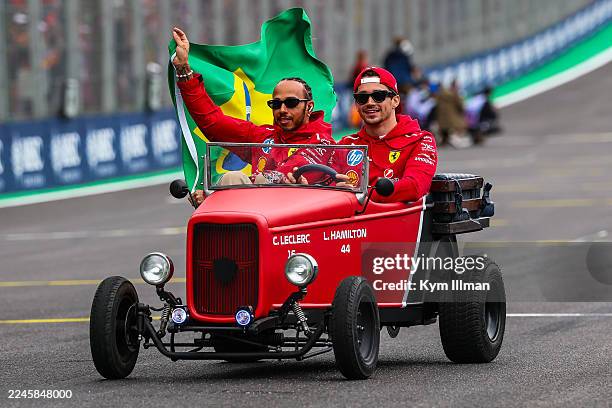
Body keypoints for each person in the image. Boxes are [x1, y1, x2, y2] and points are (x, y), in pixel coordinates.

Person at [171, 27, 337, 206]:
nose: (282, 109)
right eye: (276, 104)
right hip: (257, 219)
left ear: (309, 107)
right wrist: (184, 70)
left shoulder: (322, 143)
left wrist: (216, 195)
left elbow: (285, 174)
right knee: (232, 178)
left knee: (237, 182)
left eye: (291, 103)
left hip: (299, 223)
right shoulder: (263, 137)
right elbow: (214, 124)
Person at [336, 67, 437, 203]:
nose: (370, 103)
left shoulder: (421, 141)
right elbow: (323, 183)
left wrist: (359, 195)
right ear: (356, 104)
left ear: (395, 101)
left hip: (397, 222)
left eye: (378, 96)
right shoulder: (346, 144)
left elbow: (414, 187)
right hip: (351, 222)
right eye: (362, 98)